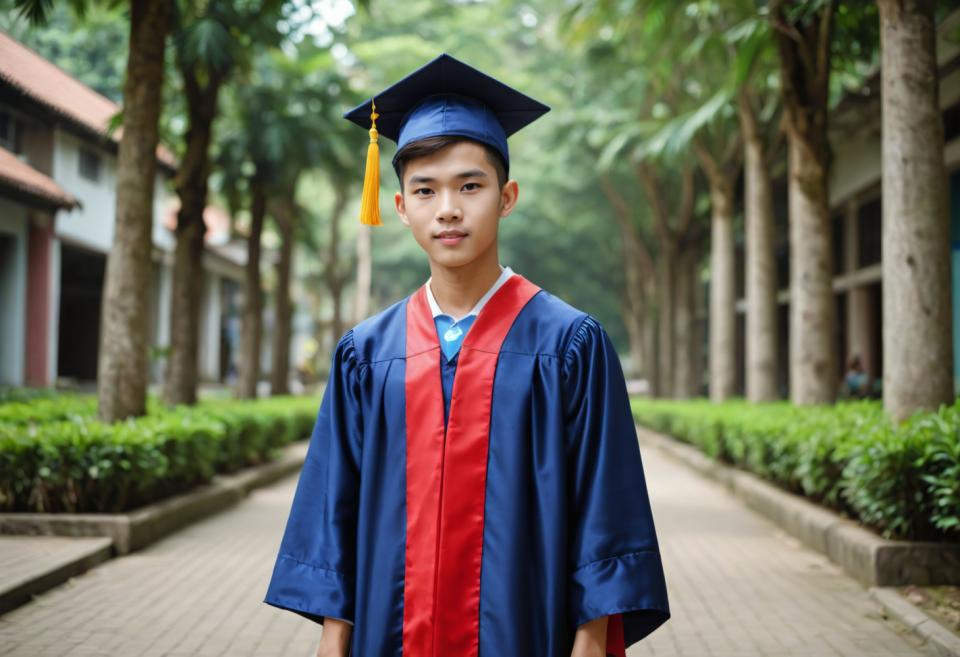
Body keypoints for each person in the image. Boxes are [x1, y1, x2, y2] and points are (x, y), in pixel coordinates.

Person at [263, 53, 670, 657]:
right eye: (425, 190)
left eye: (470, 186)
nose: (448, 209)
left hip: (524, 634)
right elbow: (333, 514)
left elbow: (604, 509)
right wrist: (334, 643)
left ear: (506, 198)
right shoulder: (366, 355)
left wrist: (590, 644)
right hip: (393, 635)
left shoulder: (569, 344)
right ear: (400, 208)